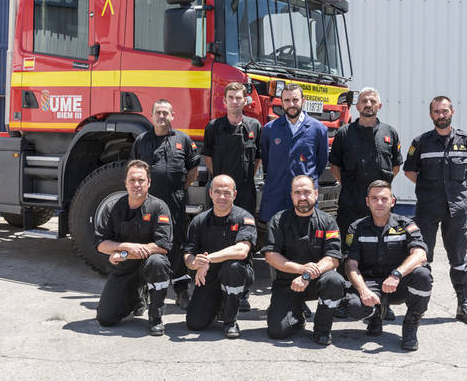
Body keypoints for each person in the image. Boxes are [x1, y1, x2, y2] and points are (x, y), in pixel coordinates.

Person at [403, 95, 467, 326]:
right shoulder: (421, 142)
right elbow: (410, 171)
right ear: (431, 115)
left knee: (459, 258)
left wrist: (457, 191)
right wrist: (429, 189)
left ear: (452, 112)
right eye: (437, 111)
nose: (441, 115)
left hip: (456, 211)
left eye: (444, 111)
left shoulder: (466, 140)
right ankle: (418, 308)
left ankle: (463, 305)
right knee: (421, 258)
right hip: (427, 209)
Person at [329, 87, 402, 320]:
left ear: (379, 106)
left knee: (383, 251)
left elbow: (396, 166)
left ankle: (384, 300)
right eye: (363, 101)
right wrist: (352, 189)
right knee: (346, 251)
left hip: (380, 208)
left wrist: (377, 197)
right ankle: (344, 296)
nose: (368, 104)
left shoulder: (390, 133)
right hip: (350, 204)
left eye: (372, 101)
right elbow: (335, 166)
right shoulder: (343, 133)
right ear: (357, 106)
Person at [344, 180, 432, 351]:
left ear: (392, 201)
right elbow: (350, 264)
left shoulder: (405, 224)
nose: (379, 203)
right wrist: (363, 291)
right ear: (367, 201)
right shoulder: (357, 228)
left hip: (399, 285)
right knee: (354, 307)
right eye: (374, 198)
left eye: (384, 199)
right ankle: (376, 312)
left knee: (423, 275)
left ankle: (411, 325)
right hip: (371, 285)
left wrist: (396, 275)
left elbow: (420, 254)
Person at [131, 99, 199, 309]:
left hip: (175, 201)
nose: (162, 117)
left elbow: (193, 171)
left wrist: (178, 190)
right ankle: (142, 293)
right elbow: (134, 172)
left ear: (172, 115)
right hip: (148, 205)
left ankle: (181, 290)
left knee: (176, 244)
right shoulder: (141, 141)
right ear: (152, 116)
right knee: (146, 246)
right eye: (158, 113)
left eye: (165, 113)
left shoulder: (183, 140)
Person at [94, 160, 173, 336]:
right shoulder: (112, 207)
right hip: (124, 268)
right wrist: (127, 248)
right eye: (132, 180)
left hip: (149, 264)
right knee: (106, 318)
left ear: (149, 183)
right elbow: (101, 244)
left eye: (141, 180)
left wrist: (123, 253)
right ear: (125, 183)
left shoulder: (159, 207)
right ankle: (137, 298)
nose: (136, 184)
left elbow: (163, 246)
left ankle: (156, 318)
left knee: (158, 262)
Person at [262, 175, 343, 345]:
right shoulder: (278, 220)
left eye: (306, 192)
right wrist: (301, 270)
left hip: (317, 280)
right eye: (297, 193)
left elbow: (333, 258)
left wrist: (307, 276)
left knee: (335, 280)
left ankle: (322, 329)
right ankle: (297, 315)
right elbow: (271, 256)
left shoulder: (328, 222)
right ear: (291, 196)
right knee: (277, 332)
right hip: (287, 282)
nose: (302, 197)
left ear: (315, 193)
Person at [183, 175, 257, 338]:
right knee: (195, 324)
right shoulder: (199, 221)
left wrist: (207, 259)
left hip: (236, 274)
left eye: (226, 192)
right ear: (210, 193)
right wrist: (196, 263)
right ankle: (220, 302)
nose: (222, 197)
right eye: (217, 192)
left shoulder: (244, 218)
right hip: (208, 277)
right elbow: (188, 256)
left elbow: (241, 251)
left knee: (233, 267)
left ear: (234, 195)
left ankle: (230, 321)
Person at [258, 84, 328, 223]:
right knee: (275, 240)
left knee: (305, 241)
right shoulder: (270, 129)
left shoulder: (318, 129)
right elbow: (267, 160)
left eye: (295, 100)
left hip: (304, 198)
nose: (291, 104)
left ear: (303, 100)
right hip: (276, 196)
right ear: (281, 102)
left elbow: (321, 162)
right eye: (287, 100)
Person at [201, 81, 261, 217]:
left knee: (246, 227)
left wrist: (248, 177)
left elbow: (258, 157)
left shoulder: (254, 126)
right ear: (224, 100)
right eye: (231, 97)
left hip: (246, 190)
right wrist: (219, 180)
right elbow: (208, 156)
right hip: (221, 192)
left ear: (245, 101)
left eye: (239, 98)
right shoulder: (213, 127)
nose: (235, 101)